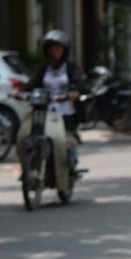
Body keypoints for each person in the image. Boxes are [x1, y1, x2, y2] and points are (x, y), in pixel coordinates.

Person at [24, 29, 87, 172]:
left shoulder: (71, 69)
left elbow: (81, 85)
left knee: (65, 141)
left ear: (64, 50)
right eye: (51, 48)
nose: (54, 51)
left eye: (57, 48)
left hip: (66, 113)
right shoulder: (43, 69)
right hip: (44, 112)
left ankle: (70, 167)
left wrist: (72, 93)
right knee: (28, 137)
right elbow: (30, 85)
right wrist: (18, 92)